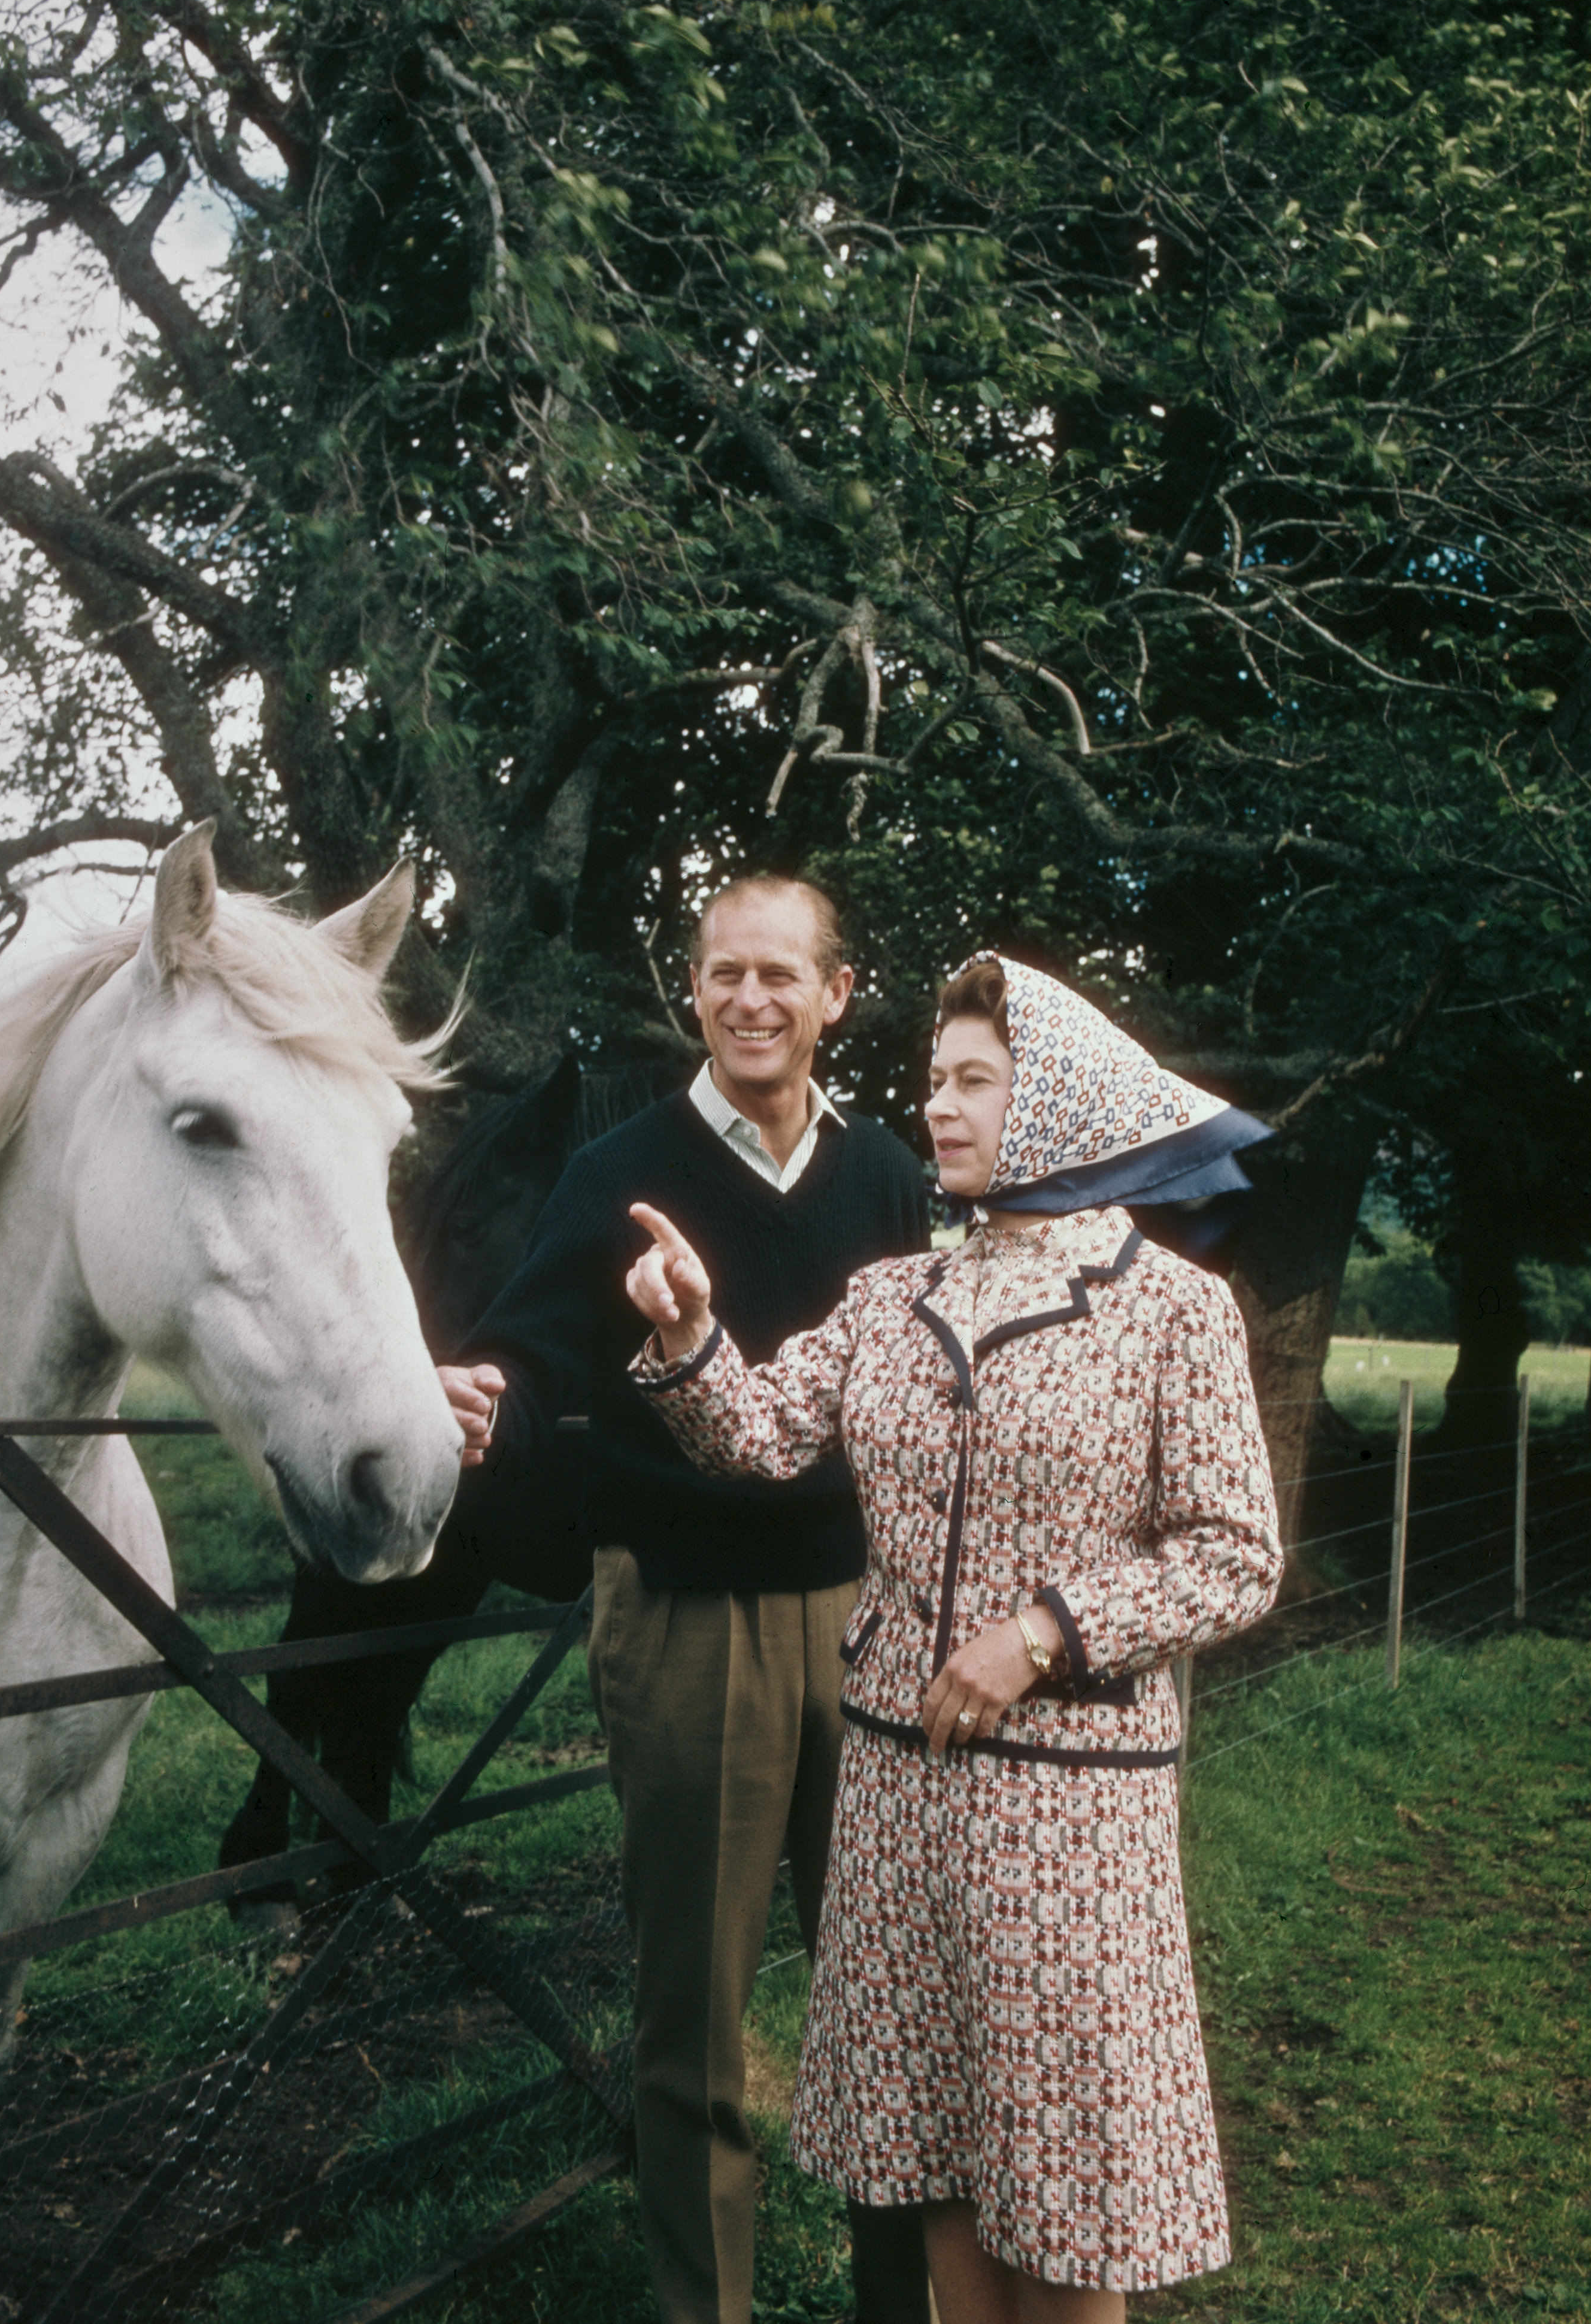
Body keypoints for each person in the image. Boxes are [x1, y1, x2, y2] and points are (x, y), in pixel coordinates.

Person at [619, 951, 1281, 2323]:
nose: (940, 1108)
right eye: (932, 1081)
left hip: (1070, 1814)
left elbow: (1233, 1557)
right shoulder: (886, 1294)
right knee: (933, 2160)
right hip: (895, 1794)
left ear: (1061, 1101)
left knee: (1066, 2184)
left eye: (977, 1080)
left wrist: (1041, 1630)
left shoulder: (1170, 1309)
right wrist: (689, 1335)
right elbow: (755, 1434)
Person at [438, 876, 932, 2324]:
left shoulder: (889, 1174)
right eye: (723, 974)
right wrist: (484, 1402)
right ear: (695, 992)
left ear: (836, 994)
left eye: (780, 975)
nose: (749, 1001)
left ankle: (893, 2302)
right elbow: (528, 1360)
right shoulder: (620, 1171)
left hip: (864, 1620)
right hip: (687, 1624)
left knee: (882, 2006)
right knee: (693, 2019)